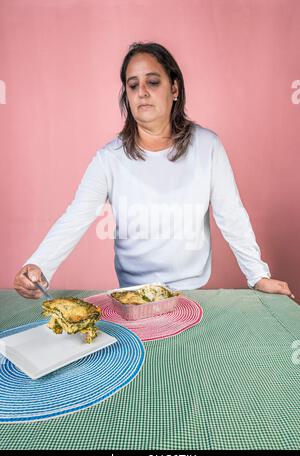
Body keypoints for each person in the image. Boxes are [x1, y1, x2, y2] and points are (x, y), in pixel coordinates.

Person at [14, 42, 294, 300]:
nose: (142, 92)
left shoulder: (208, 146)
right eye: (133, 85)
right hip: (132, 297)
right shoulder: (109, 158)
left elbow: (231, 215)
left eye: (152, 82)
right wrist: (39, 265)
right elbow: (76, 216)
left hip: (193, 294)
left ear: (174, 89)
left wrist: (258, 275)